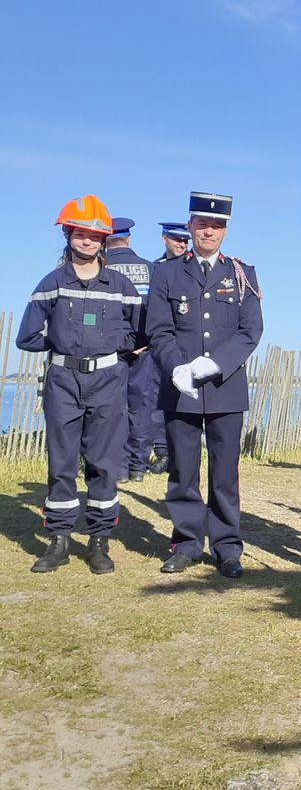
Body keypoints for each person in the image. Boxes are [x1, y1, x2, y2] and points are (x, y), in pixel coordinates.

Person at [17, 196, 141, 574]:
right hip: (62, 381)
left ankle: (99, 542)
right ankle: (58, 541)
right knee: (62, 463)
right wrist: (59, 342)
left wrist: (116, 350)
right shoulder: (51, 283)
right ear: (68, 233)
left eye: (95, 235)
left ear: (104, 239)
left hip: (107, 381)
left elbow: (138, 334)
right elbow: (26, 337)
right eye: (80, 234)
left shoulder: (120, 285)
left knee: (104, 464)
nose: (87, 241)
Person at [147, 193, 263, 579]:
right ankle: (185, 543)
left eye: (216, 226)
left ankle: (227, 548)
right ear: (191, 226)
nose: (208, 231)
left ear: (225, 231)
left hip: (225, 388)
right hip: (179, 388)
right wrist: (176, 368)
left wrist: (215, 363)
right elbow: (158, 330)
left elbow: (251, 331)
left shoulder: (242, 272)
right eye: (202, 224)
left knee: (224, 473)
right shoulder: (166, 273)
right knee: (182, 469)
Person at [104, 217, 157, 482]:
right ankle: (138, 466)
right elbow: (160, 311)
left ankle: (120, 468)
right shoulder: (149, 269)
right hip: (145, 348)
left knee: (113, 408)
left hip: (111, 351)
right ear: (129, 239)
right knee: (142, 406)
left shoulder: (100, 269)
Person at [146, 221, 192, 474]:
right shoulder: (156, 269)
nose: (182, 245)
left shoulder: (195, 268)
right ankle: (162, 451)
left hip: (187, 347)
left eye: (185, 241)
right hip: (162, 346)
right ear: (165, 239)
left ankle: (179, 454)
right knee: (156, 399)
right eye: (177, 240)